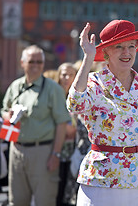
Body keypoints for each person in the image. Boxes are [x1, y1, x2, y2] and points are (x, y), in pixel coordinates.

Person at [66, 20, 138, 206]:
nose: (126, 52)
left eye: (131, 46)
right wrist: (87, 58)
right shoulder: (94, 82)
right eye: (118, 47)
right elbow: (74, 105)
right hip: (101, 179)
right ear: (105, 52)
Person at [1, 45, 71, 206]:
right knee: (16, 201)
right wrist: (8, 115)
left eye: (39, 62)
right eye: (32, 61)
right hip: (16, 149)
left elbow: (61, 124)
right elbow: (4, 110)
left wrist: (56, 154)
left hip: (43, 152)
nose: (36, 65)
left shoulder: (53, 89)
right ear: (22, 63)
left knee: (44, 201)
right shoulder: (15, 86)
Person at [55, 62, 78, 206]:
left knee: (69, 193)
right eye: (64, 74)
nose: (67, 77)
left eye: (71, 74)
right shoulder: (54, 95)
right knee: (57, 190)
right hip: (54, 150)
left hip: (74, 151)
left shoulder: (79, 96)